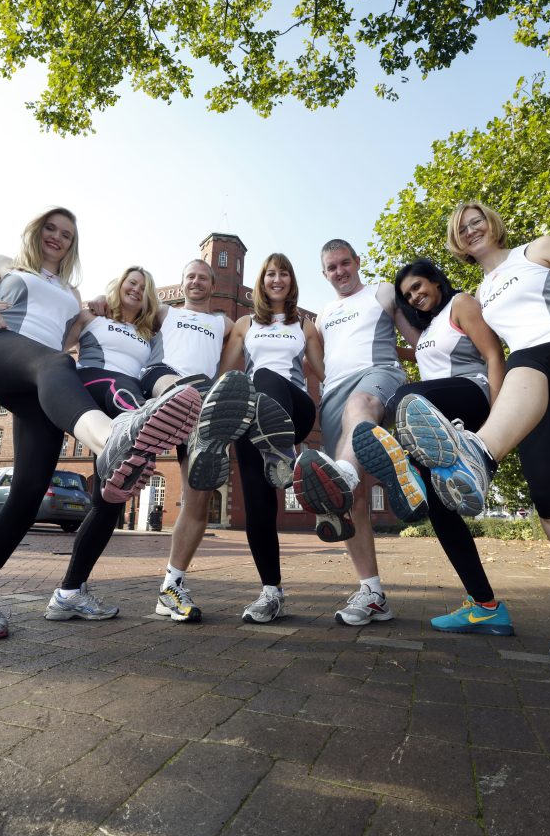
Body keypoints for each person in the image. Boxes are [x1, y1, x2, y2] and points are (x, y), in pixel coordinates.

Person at [397, 201, 550, 668]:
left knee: (523, 360)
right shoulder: (477, 295)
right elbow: (450, 345)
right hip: (544, 389)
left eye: (477, 221)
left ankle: (476, 456)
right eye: (461, 228)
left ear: (493, 222)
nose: (471, 231)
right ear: (456, 243)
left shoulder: (538, 250)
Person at [0, 209, 200, 641]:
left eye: (66, 233)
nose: (57, 237)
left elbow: (71, 340)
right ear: (36, 230)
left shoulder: (73, 292)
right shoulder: (5, 264)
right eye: (50, 228)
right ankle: (114, 439)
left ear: (73, 244)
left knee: (29, 492)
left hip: (36, 383)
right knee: (54, 363)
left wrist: (91, 313)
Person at [350, 258, 512, 635]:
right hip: (437, 422)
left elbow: (493, 355)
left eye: (419, 287)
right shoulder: (425, 334)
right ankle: (485, 605)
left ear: (437, 281)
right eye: (408, 295)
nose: (415, 296)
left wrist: (499, 418)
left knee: (405, 397)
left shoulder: (462, 305)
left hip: (472, 394)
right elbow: (401, 350)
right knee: (442, 512)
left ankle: (401, 463)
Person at [293, 238, 427, 627]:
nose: (340, 272)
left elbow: (416, 341)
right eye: (332, 267)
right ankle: (373, 594)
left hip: (377, 375)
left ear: (357, 262)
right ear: (324, 274)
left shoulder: (382, 292)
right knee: (350, 500)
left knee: (360, 408)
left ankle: (346, 474)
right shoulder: (323, 315)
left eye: (344, 263)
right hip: (333, 393)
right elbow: (317, 363)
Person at [137, 259, 257, 623]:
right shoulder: (165, 312)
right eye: (191, 276)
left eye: (203, 278)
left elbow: (257, 328)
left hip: (199, 412)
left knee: (199, 498)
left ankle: (171, 586)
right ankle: (73, 588)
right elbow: (122, 302)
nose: (196, 282)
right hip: (161, 395)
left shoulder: (223, 323)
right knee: (116, 487)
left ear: (213, 284)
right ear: (183, 281)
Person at [44, 265, 163, 622]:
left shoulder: (149, 335)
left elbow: (153, 372)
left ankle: (69, 592)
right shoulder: (95, 316)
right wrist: (82, 315)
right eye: (132, 283)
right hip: (95, 387)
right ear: (119, 286)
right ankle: (140, 431)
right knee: (125, 396)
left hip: (126, 401)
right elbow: (60, 345)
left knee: (107, 502)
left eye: (143, 287)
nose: (136, 289)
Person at [215, 253, 324, 622]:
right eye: (270, 274)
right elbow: (228, 374)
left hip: (295, 413)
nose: (277, 280)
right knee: (259, 505)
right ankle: (270, 592)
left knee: (265, 378)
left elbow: (323, 371)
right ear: (261, 281)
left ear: (292, 281)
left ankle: (283, 452)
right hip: (252, 421)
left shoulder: (304, 325)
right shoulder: (245, 324)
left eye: (284, 274)